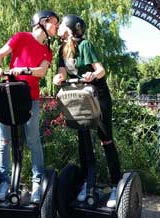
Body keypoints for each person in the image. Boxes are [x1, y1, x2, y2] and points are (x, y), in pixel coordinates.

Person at [53, 14, 121, 208]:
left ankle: (116, 184)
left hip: (98, 95)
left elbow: (101, 70)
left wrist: (93, 74)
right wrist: (58, 78)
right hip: (80, 95)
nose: (57, 28)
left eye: (61, 26)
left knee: (105, 138)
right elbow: (62, 71)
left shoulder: (85, 45)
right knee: (83, 138)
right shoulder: (62, 49)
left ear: (70, 28)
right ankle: (86, 184)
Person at [0, 10, 59, 204]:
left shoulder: (47, 50)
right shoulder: (21, 37)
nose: (57, 26)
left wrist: (25, 69)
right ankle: (5, 183)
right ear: (43, 22)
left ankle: (37, 183)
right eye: (54, 22)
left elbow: (42, 72)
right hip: (10, 94)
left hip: (31, 98)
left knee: (33, 140)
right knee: (4, 141)